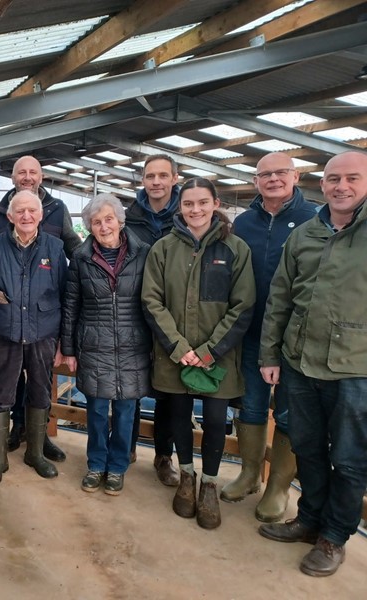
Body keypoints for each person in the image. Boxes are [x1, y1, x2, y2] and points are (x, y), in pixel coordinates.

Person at [258, 151, 367, 577]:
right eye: (334, 178)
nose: (342, 186)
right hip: (301, 362)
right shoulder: (304, 234)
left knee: (350, 457)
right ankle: (309, 519)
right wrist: (270, 353)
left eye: (352, 178)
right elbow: (280, 298)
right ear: (320, 184)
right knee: (307, 446)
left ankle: (334, 536)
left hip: (355, 368)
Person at [142, 177, 255, 529]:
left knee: (216, 420)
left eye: (202, 203)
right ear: (181, 207)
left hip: (218, 357)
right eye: (189, 204)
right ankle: (187, 476)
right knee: (178, 414)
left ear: (215, 203)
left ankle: (210, 483)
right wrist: (179, 347)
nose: (196, 210)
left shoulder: (236, 249)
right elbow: (152, 300)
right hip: (175, 354)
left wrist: (208, 350)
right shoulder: (163, 249)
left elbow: (242, 305)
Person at [221, 152, 317, 520]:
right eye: (265, 174)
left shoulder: (313, 220)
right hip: (250, 331)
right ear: (255, 181)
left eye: (281, 172)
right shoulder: (244, 222)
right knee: (252, 404)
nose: (273, 179)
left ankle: (278, 485)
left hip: (295, 338)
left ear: (296, 176)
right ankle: (248, 474)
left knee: (290, 412)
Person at [0, 155, 78, 461]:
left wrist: (98, 259)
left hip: (41, 318)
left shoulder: (57, 209)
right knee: (7, 381)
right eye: (21, 172)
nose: (27, 176)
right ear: (13, 177)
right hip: (8, 316)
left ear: (42, 176)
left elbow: (72, 245)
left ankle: (37, 442)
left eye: (33, 172)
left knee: (39, 382)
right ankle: (16, 429)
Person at [0, 190, 67, 486]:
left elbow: (66, 297)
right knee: (1, 394)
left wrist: (64, 342)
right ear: (10, 216)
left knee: (40, 392)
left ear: (40, 215)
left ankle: (35, 454)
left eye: (32, 211)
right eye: (20, 211)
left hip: (43, 335)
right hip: (4, 334)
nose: (26, 216)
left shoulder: (55, 247)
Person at [61, 194, 152, 496]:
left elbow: (153, 303)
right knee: (97, 411)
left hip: (132, 345)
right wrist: (70, 348)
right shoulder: (81, 259)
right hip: (94, 345)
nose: (103, 226)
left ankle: (117, 467)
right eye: (96, 222)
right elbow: (71, 305)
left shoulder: (144, 254)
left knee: (126, 410)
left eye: (108, 219)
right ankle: (96, 464)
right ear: (88, 227)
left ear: (120, 221)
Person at [125, 154, 181, 486]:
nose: (156, 181)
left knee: (169, 389)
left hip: (173, 315)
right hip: (133, 311)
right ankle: (127, 445)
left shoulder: (187, 214)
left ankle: (164, 455)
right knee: (130, 382)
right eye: (150, 176)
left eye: (163, 175)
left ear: (175, 178)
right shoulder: (129, 217)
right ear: (142, 180)